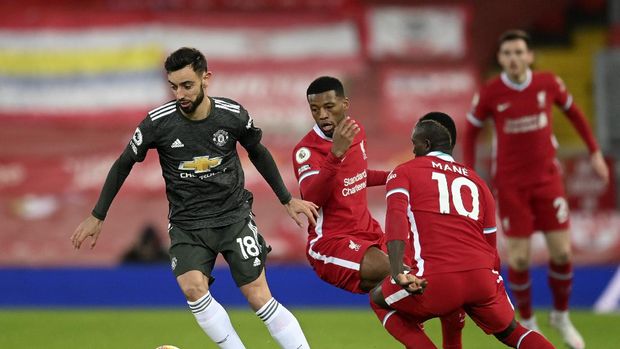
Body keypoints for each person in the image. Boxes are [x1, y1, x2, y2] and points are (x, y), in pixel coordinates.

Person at [71, 47, 318, 349]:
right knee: (192, 288)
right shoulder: (157, 123)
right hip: (187, 224)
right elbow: (124, 163)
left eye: (187, 85)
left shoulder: (232, 116)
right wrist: (98, 215)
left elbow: (258, 152)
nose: (180, 94)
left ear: (206, 79)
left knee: (257, 294)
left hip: (233, 218)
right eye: (173, 86)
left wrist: (286, 198)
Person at [291, 76, 464, 349]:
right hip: (331, 244)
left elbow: (358, 173)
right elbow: (312, 198)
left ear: (345, 104)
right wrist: (335, 154)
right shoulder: (305, 150)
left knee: (426, 278)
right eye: (315, 109)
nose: (322, 115)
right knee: (402, 275)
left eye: (329, 106)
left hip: (369, 233)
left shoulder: (355, 131)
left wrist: (396, 175)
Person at [463, 29, 610, 349]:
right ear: (500, 60)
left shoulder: (548, 83)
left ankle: (560, 315)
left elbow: (574, 113)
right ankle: (528, 319)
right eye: (507, 54)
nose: (513, 59)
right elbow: (471, 131)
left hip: (547, 179)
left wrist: (594, 151)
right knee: (517, 260)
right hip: (511, 184)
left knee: (562, 252)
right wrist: (471, 173)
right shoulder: (490, 92)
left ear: (529, 56)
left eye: (519, 52)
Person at [371, 112, 556, 349]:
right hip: (482, 277)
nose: (413, 150)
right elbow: (490, 241)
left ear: (426, 144)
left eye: (414, 144)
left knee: (379, 299)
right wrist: (492, 287)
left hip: (436, 278)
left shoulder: (405, 171)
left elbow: (395, 219)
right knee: (514, 332)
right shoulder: (478, 182)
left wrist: (398, 272)